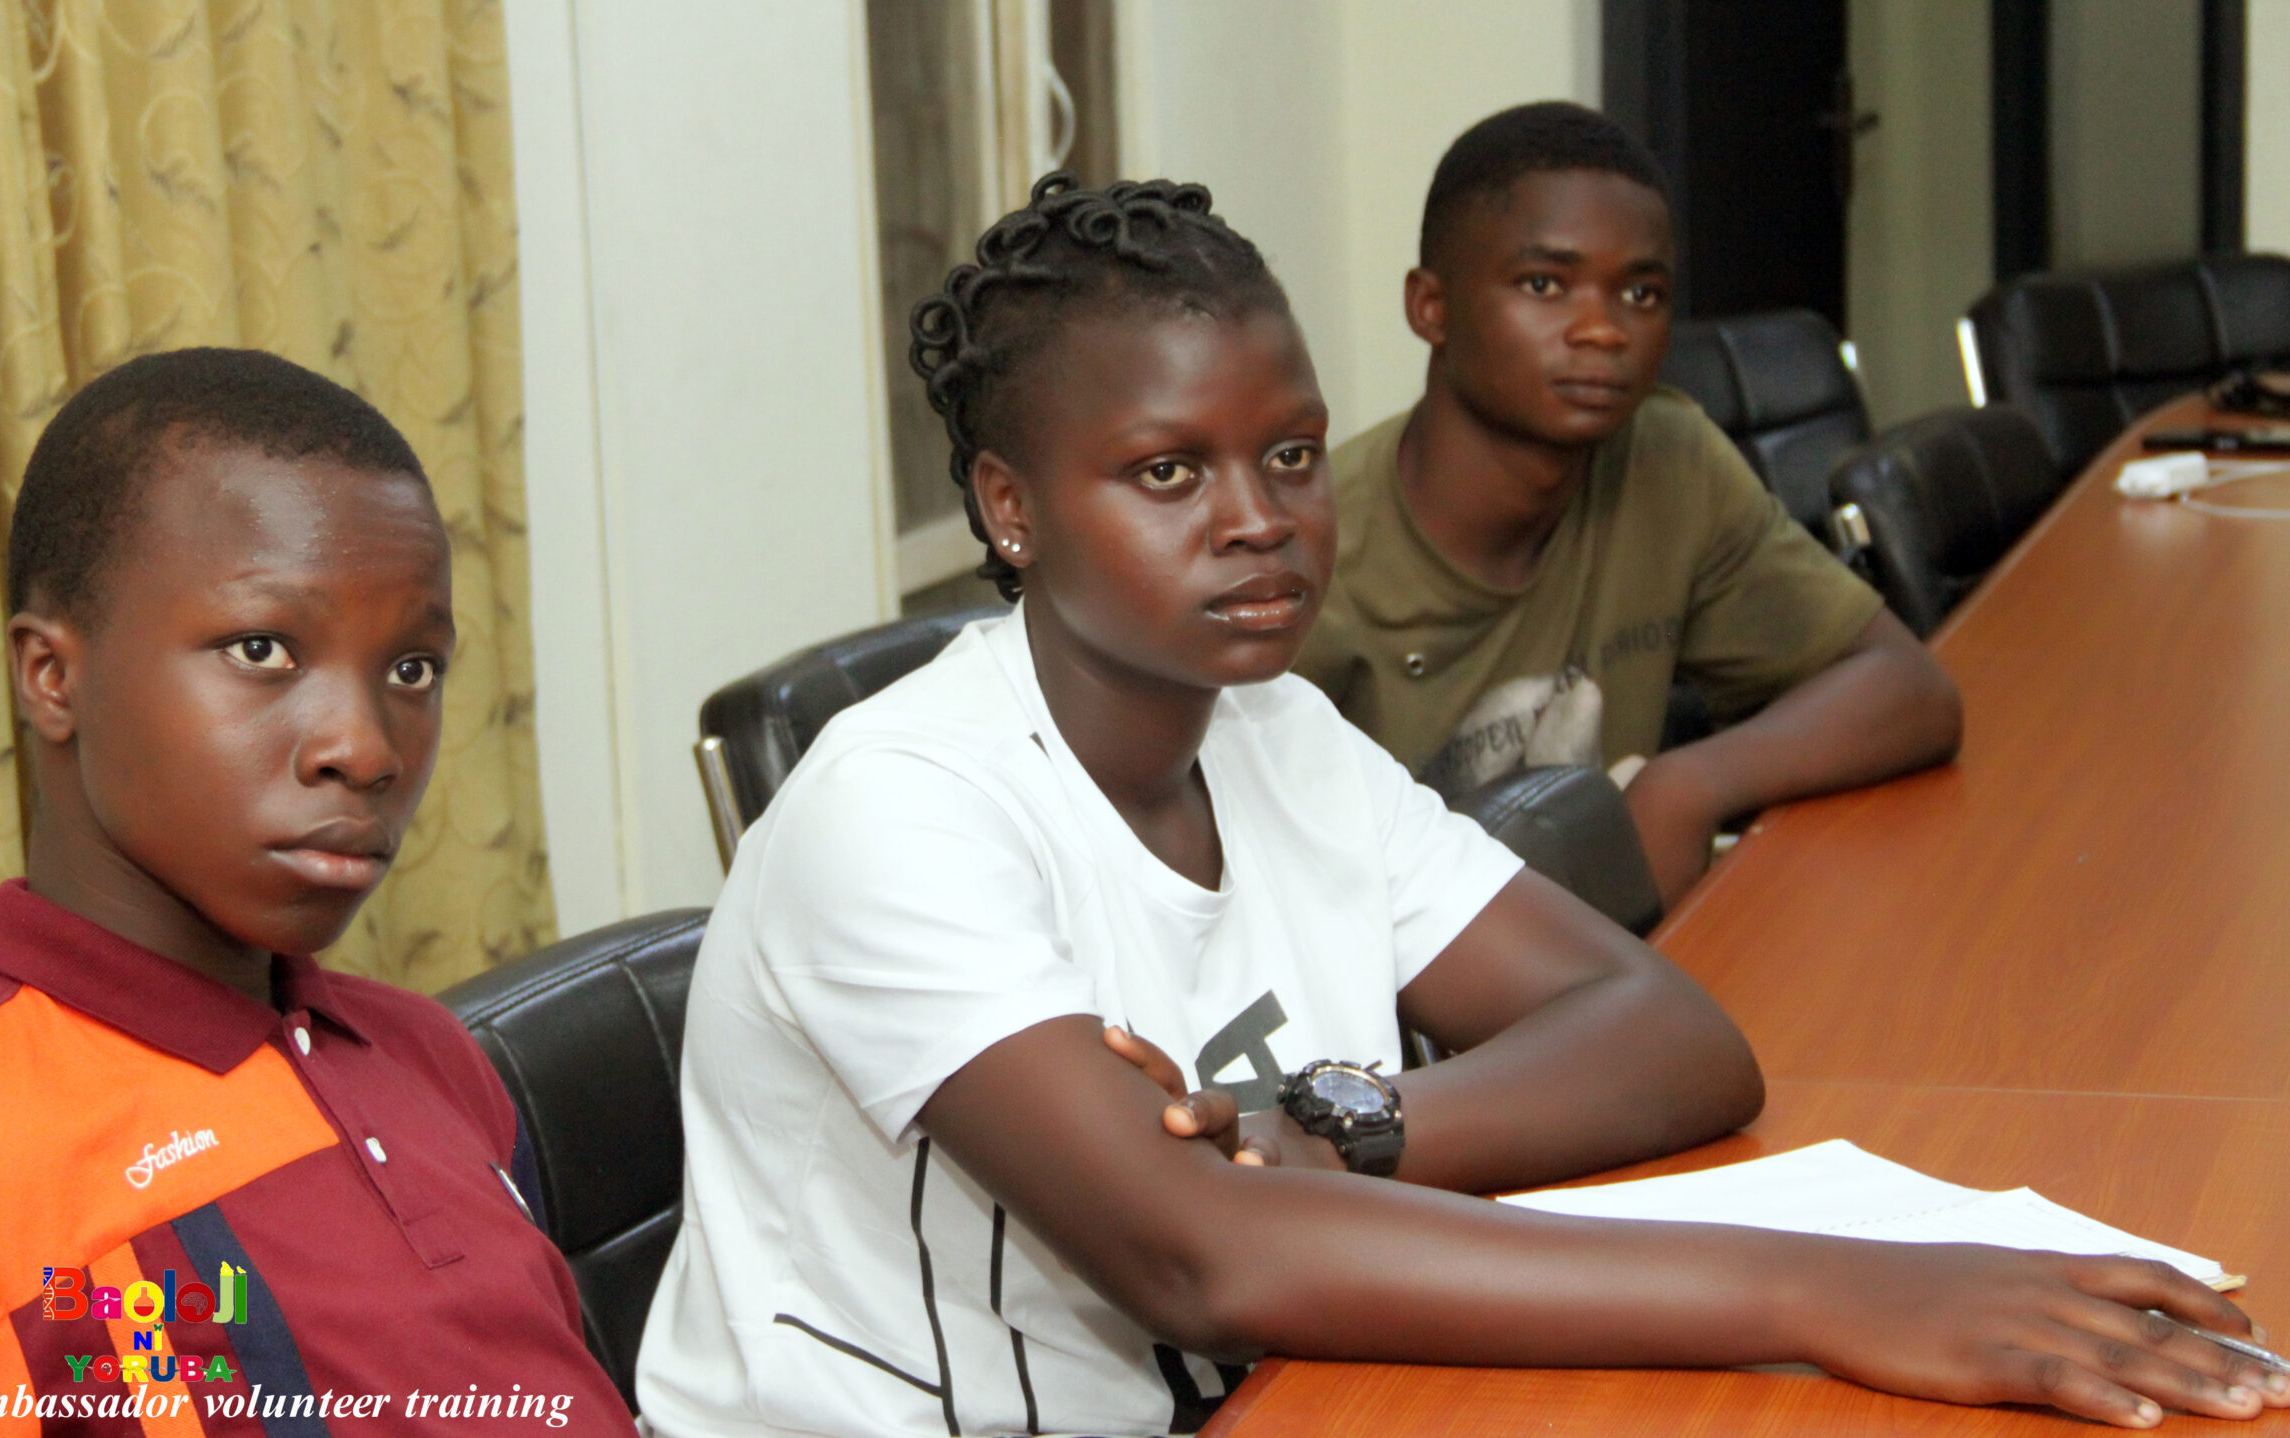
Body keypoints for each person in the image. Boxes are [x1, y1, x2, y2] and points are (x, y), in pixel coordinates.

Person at [629, 175, 2283, 1438]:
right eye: (1166, 471)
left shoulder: (1275, 727)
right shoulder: (896, 810)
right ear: (1009, 506)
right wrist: (1823, 1282)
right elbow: (1196, 1257)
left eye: (1286, 456)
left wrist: (1341, 1128)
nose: (1259, 519)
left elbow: (1673, 1037)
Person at [0, 350, 634, 1436]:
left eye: (411, 669)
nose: (364, 747)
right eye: (263, 649)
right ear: (51, 676)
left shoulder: (424, 1053)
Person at [1295, 102, 1962, 906]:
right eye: (1545, 284)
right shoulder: (1302, 551)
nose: (1603, 331)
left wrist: (1687, 784)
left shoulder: (1667, 458)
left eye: (1641, 294)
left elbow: (1907, 689)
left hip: (1614, 977)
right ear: (1430, 307)